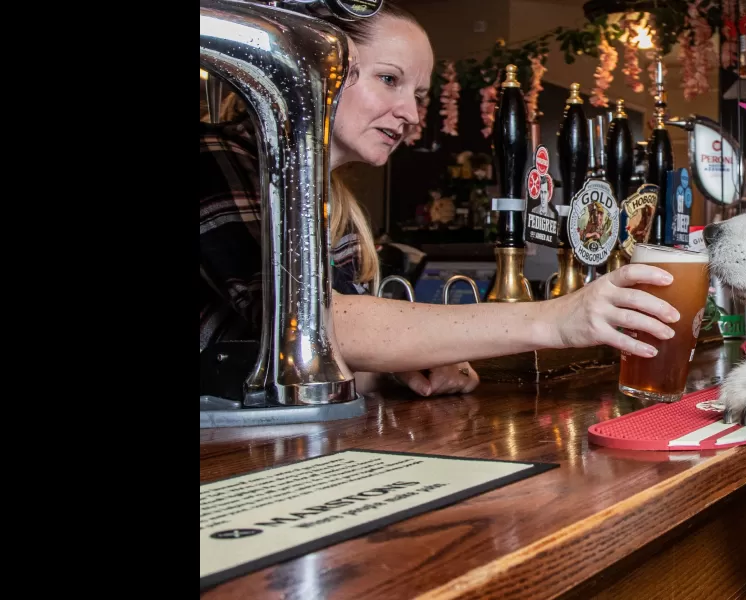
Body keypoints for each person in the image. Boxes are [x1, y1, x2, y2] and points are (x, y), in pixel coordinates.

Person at [199, 2, 679, 397]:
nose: (409, 114)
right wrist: (558, 318)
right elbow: (316, 326)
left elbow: (333, 362)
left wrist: (400, 365)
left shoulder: (333, 202)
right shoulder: (217, 156)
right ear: (315, 69)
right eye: (390, 79)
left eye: (419, 95)